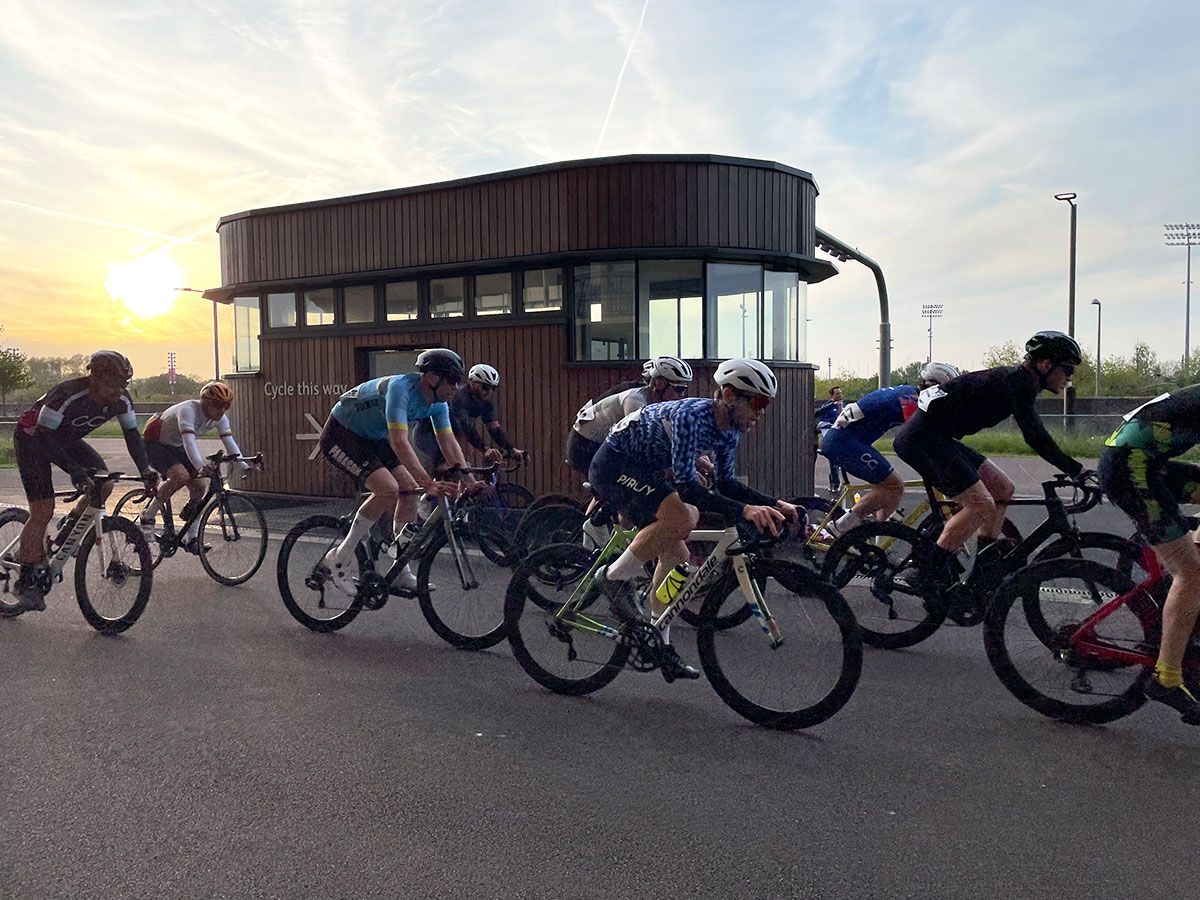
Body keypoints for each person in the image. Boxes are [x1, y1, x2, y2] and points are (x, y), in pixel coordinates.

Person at [587, 358, 800, 682]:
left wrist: (774, 503)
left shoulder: (729, 430)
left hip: (645, 470)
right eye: (757, 403)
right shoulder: (693, 416)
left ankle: (661, 642)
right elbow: (686, 485)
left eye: (765, 405)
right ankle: (614, 578)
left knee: (678, 555)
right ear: (728, 395)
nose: (761, 412)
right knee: (683, 517)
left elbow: (726, 484)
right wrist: (744, 510)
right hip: (614, 465)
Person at [893, 331, 1085, 591]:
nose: (1069, 377)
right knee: (981, 504)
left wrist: (1076, 469)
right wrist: (1077, 470)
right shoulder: (1019, 383)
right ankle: (925, 571)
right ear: (1045, 364)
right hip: (921, 440)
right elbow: (1035, 436)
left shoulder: (1020, 381)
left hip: (938, 437)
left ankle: (982, 574)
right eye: (1067, 369)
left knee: (1003, 489)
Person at [9, 350, 158, 611]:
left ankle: (70, 525)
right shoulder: (67, 394)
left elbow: (133, 436)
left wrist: (146, 469)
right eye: (113, 383)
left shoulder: (121, 399)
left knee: (105, 482)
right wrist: (74, 471)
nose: (119, 390)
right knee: (43, 510)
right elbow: (44, 438)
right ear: (94, 377)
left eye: (124, 384)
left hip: (65, 439)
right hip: (33, 439)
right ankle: (26, 580)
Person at [316, 348, 474, 595]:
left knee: (409, 491)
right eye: (452, 380)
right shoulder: (401, 388)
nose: (456, 387)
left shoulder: (439, 403)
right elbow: (400, 441)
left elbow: (448, 442)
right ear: (432, 377)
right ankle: (338, 559)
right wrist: (429, 483)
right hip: (342, 434)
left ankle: (400, 571)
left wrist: (469, 479)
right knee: (388, 489)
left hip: (375, 438)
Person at [1099, 387, 1200, 722]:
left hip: (1144, 464)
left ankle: (1184, 607)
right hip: (1132, 470)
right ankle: (1166, 679)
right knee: (1191, 574)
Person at [821, 363, 960, 536]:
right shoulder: (911, 400)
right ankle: (841, 527)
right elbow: (920, 437)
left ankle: (875, 542)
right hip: (843, 441)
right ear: (933, 386)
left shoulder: (909, 393)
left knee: (893, 492)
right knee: (894, 486)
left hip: (846, 440)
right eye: (943, 393)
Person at [137, 381, 261, 550]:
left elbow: (230, 443)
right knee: (180, 476)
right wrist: (201, 466)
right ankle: (148, 516)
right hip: (154, 443)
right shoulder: (188, 410)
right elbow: (189, 442)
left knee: (200, 487)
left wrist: (245, 465)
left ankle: (192, 537)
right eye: (218, 405)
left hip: (175, 445)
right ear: (206, 403)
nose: (222, 410)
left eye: (227, 405)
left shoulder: (221, 418)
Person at [564, 356, 694, 476]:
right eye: (679, 389)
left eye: (684, 389)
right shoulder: (635, 401)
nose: (682, 395)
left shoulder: (658, 404)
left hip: (604, 444)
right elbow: (643, 442)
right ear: (659, 384)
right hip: (584, 446)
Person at [411, 363, 527, 469]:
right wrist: (485, 449)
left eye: (493, 388)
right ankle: (432, 488)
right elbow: (465, 427)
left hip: (449, 435)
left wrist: (512, 449)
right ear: (473, 383)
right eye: (486, 387)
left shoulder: (486, 404)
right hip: (427, 434)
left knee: (463, 469)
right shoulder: (460, 397)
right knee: (451, 466)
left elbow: (495, 430)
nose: (490, 392)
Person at [814, 385, 845, 493]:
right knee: (833, 459)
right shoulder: (828, 405)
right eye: (837, 393)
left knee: (837, 460)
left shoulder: (843, 405)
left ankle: (835, 482)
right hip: (828, 430)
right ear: (832, 395)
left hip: (839, 432)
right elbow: (818, 412)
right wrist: (832, 404)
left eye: (840, 393)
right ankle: (834, 483)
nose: (840, 395)